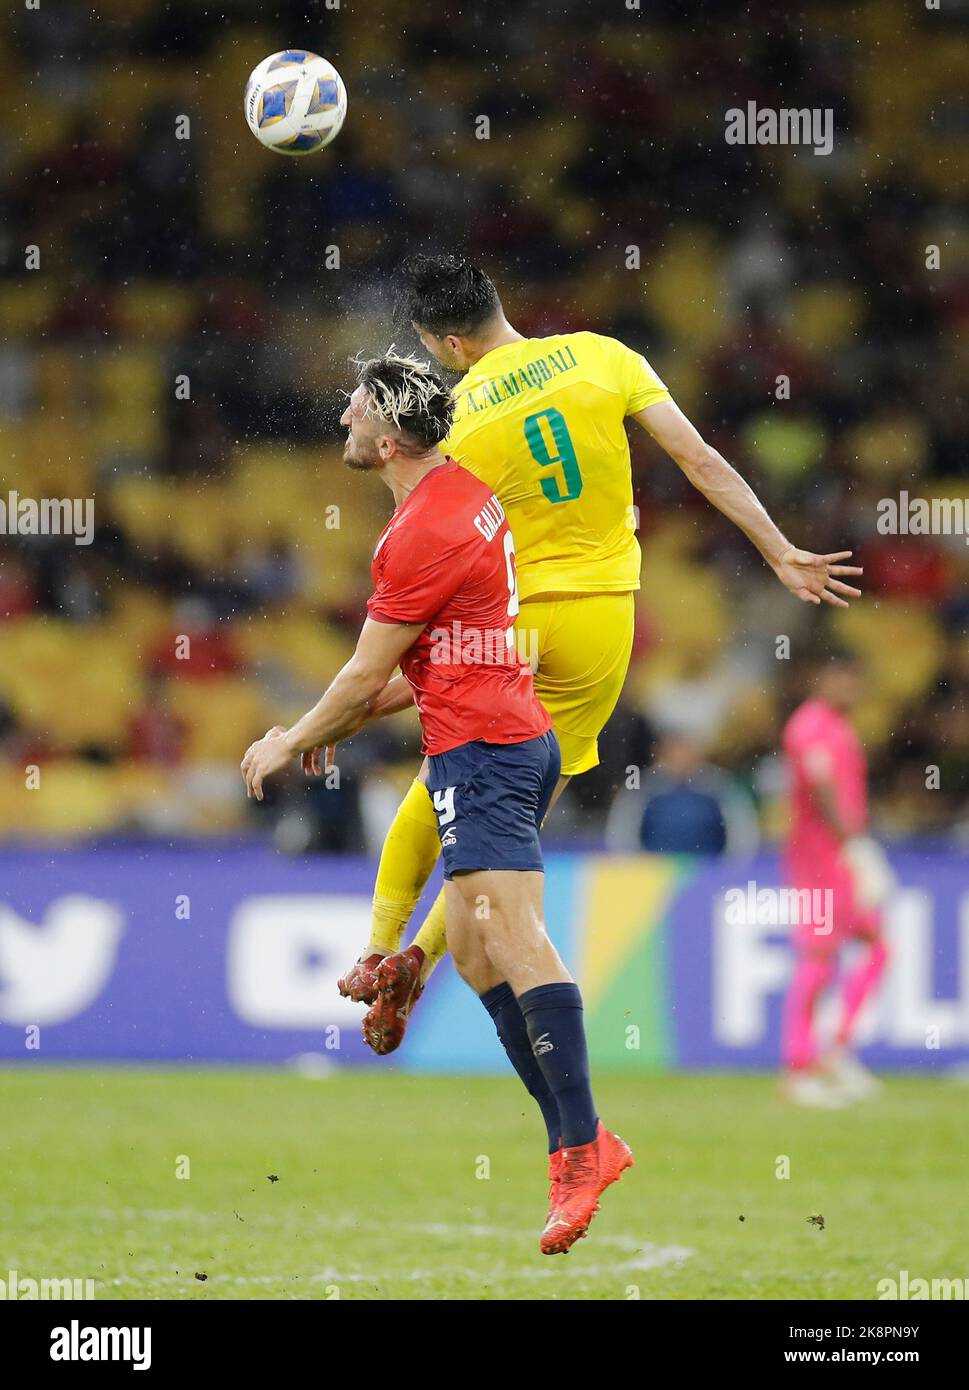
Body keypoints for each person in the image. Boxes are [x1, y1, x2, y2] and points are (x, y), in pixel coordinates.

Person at [339, 253, 863, 1054]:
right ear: (497, 304)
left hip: (509, 617)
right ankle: (419, 956)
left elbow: (434, 532)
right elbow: (699, 461)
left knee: (444, 778)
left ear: (445, 344)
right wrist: (779, 549)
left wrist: (349, 705)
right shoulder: (602, 354)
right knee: (513, 819)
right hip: (602, 621)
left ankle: (381, 947)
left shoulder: (457, 418)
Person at [240, 351, 632, 1253]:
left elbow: (366, 670)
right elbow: (427, 661)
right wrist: (342, 715)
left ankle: (580, 1149)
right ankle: (582, 1137)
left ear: (386, 436)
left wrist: (292, 737)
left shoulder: (417, 531)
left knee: (512, 939)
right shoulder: (465, 491)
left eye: (356, 407)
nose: (342, 415)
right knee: (477, 957)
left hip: (486, 751)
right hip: (498, 737)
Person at [780, 648, 894, 1107]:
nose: (851, 688)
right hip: (818, 863)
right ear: (823, 678)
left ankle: (837, 1049)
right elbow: (823, 790)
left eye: (855, 680)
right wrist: (854, 845)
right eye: (843, 678)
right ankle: (798, 1068)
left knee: (878, 947)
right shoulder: (810, 727)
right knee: (819, 957)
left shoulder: (841, 726)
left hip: (841, 861)